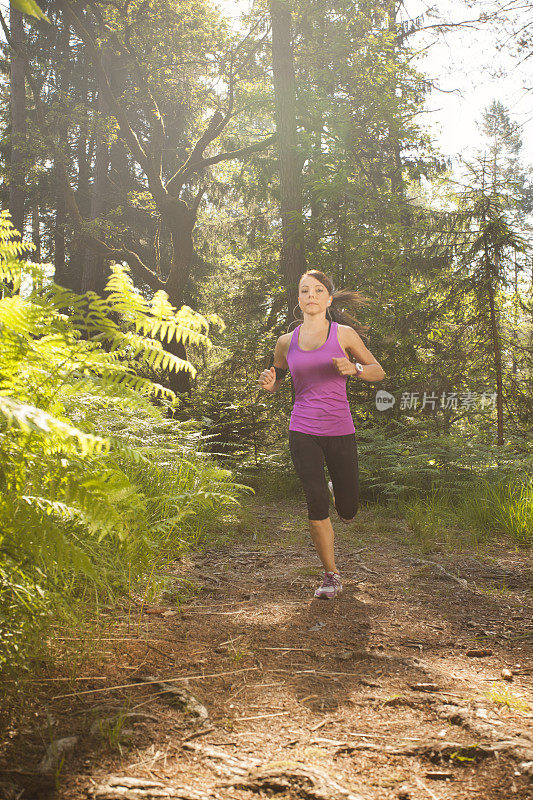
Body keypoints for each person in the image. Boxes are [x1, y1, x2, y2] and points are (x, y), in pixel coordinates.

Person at [258, 270, 386, 599]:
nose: (311, 295)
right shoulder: (285, 342)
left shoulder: (343, 334)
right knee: (315, 501)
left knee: (348, 509)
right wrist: (271, 386)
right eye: (304, 290)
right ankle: (332, 575)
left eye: (318, 290)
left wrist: (354, 369)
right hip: (303, 430)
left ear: (328, 299)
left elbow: (377, 370)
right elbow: (280, 377)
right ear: (298, 299)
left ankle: (337, 491)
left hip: (340, 429)